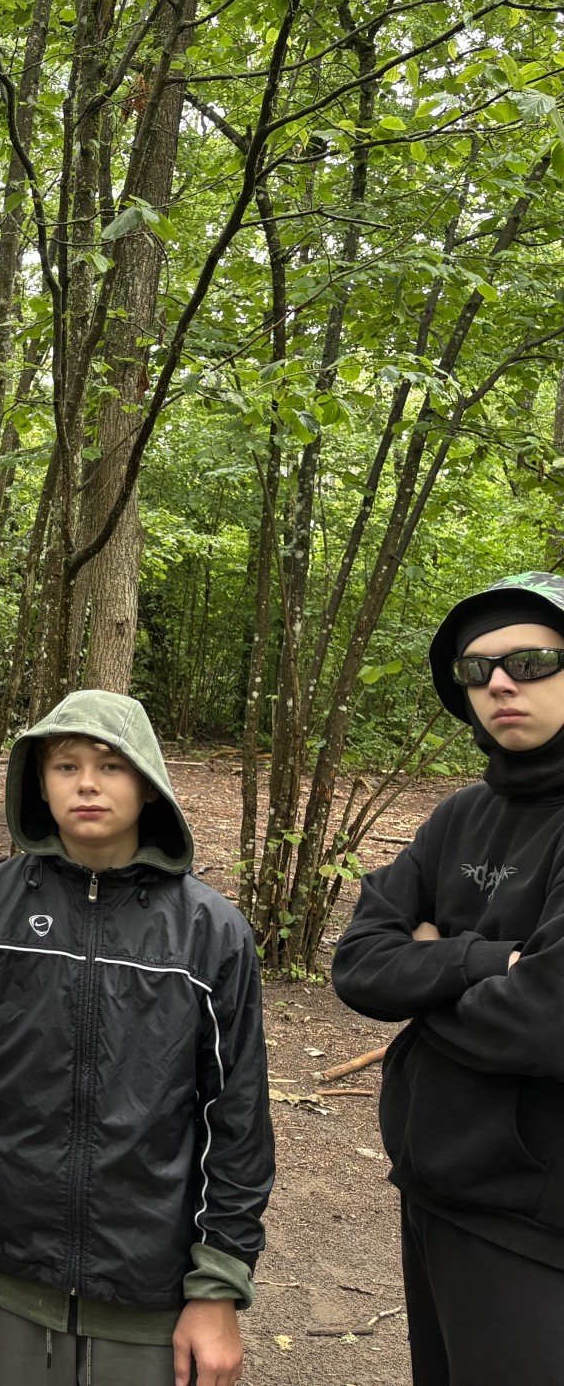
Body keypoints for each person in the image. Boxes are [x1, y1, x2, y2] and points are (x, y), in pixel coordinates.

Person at [0, 689, 272, 1386]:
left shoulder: (210, 934)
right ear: (39, 784)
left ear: (148, 783)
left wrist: (219, 1287)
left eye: (110, 766)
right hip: (2, 1284)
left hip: (152, 1299)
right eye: (65, 765)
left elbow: (238, 1119)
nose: (86, 784)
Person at [333, 570, 564, 1384]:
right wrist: (485, 961)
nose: (500, 682)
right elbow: (360, 963)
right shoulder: (460, 815)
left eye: (531, 661)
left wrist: (426, 973)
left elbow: (546, 1018)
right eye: (476, 668)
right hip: (431, 1184)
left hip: (534, 1221)